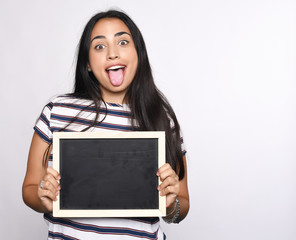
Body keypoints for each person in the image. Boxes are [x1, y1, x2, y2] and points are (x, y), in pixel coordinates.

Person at [22, 9, 189, 239]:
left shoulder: (160, 119)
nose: (112, 53)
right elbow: (30, 188)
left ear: (138, 53)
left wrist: (171, 204)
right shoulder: (57, 111)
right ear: (88, 63)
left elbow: (182, 206)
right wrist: (43, 197)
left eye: (122, 42)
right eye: (99, 46)